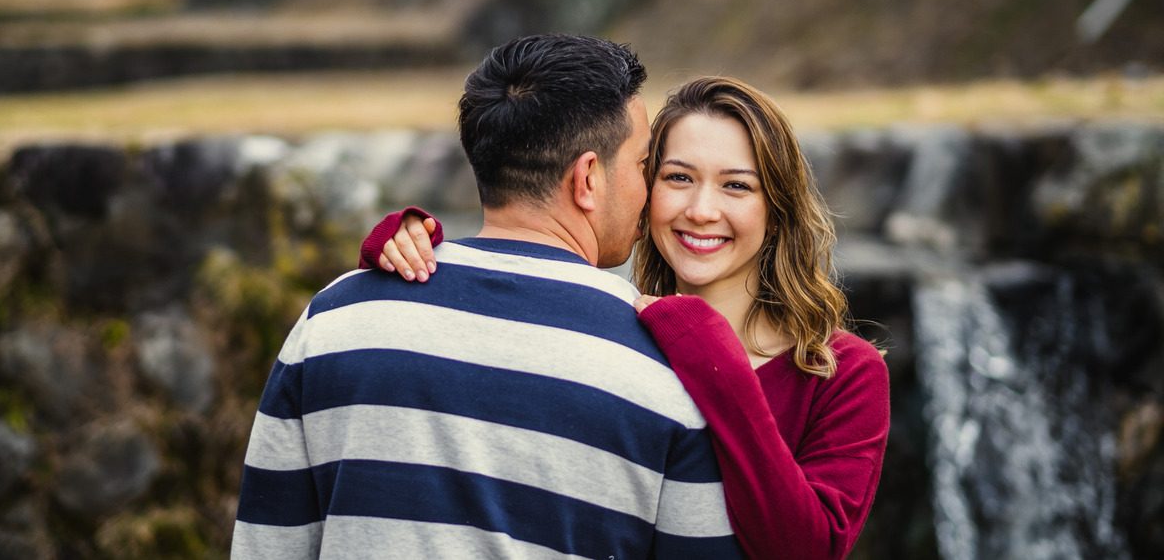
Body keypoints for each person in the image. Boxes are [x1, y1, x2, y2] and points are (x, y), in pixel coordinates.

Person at [233, 35, 744, 559]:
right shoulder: (665, 365)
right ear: (587, 178)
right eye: (642, 165)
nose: (651, 188)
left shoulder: (335, 319)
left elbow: (266, 545)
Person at [364, 75, 890, 560]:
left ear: (776, 208)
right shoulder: (614, 328)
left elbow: (807, 549)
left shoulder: (843, 373)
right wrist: (423, 261)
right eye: (678, 177)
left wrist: (715, 362)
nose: (702, 210)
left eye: (736, 186)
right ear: (641, 188)